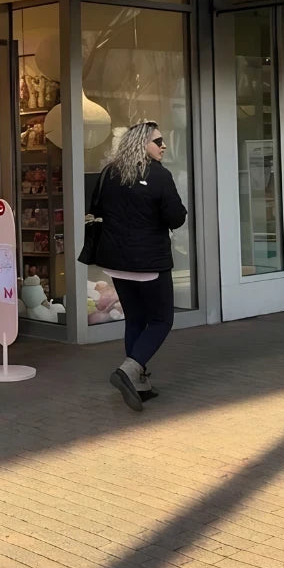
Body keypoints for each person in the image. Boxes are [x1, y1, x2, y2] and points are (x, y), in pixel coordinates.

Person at [91, 121, 187, 412]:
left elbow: (96, 208)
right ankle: (128, 370)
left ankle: (140, 383)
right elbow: (176, 217)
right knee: (161, 320)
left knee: (134, 319)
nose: (164, 146)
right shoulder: (158, 175)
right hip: (148, 263)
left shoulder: (109, 173)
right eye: (158, 141)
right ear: (142, 144)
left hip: (116, 263)